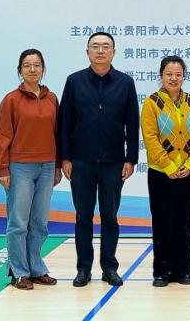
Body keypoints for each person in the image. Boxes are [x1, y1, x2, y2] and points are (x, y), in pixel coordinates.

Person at [58, 31, 140, 288]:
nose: (101, 50)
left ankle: (109, 268)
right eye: (95, 46)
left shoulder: (125, 82)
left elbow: (132, 123)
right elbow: (64, 123)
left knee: (110, 217)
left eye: (106, 46)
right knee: (83, 217)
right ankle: (83, 269)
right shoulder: (74, 81)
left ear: (114, 52)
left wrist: (131, 159)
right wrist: (65, 158)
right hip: (81, 161)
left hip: (114, 162)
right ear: (87, 52)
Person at [0, 49, 61, 290]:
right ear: (19, 70)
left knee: (40, 222)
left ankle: (36, 268)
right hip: (19, 167)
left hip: (47, 166)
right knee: (18, 222)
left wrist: (57, 165)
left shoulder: (52, 98)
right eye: (27, 65)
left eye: (37, 65)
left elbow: (57, 133)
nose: (32, 69)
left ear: (43, 69)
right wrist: (3, 167)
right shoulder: (11, 100)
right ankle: (19, 272)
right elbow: (3, 135)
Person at [142, 56, 190, 287]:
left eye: (178, 74)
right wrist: (168, 166)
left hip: (187, 172)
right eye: (169, 74)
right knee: (162, 222)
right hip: (160, 172)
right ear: (161, 75)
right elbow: (150, 138)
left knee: (183, 222)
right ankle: (161, 272)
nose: (174, 78)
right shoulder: (152, 102)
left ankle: (183, 270)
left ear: (184, 76)